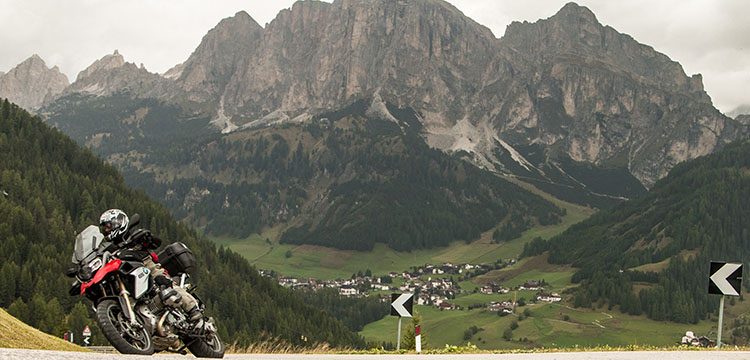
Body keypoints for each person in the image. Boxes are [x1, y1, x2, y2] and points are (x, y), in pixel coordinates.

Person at [98, 209, 202, 323]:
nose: (106, 230)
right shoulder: (109, 249)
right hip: (126, 274)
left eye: (108, 226)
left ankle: (193, 308)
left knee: (163, 281)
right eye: (103, 228)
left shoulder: (133, 237)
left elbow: (156, 242)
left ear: (119, 223)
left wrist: (146, 237)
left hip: (146, 266)